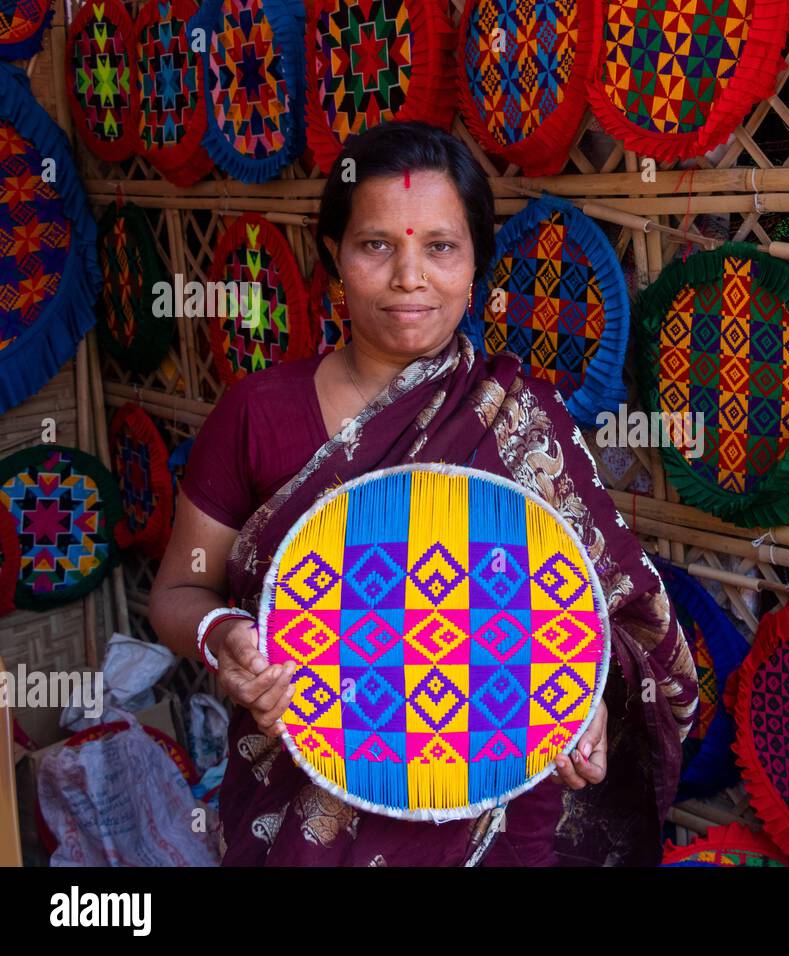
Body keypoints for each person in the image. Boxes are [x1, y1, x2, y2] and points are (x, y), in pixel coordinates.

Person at [148, 121, 698, 866]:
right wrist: (224, 639)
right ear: (334, 257)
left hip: (501, 819)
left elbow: (616, 619)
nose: (410, 276)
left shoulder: (516, 414)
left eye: (440, 247)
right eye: (376, 245)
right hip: (303, 816)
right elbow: (180, 588)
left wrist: (588, 698)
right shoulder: (259, 414)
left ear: (475, 266)